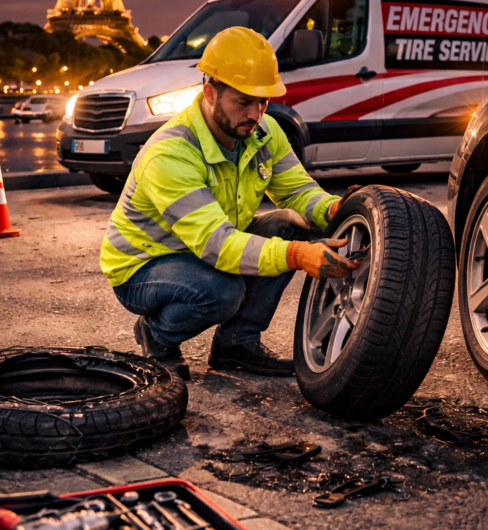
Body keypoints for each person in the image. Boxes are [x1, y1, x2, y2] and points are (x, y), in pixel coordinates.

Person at [100, 26, 360, 379]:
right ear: (210, 92)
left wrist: (331, 209)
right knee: (222, 291)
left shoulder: (263, 131)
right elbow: (216, 244)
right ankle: (157, 336)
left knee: (288, 224)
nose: (255, 114)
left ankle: (237, 345)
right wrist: (297, 255)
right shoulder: (171, 155)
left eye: (263, 101)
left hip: (207, 246)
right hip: (145, 266)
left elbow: (297, 191)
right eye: (243, 102)